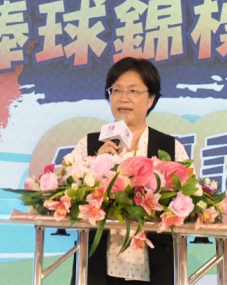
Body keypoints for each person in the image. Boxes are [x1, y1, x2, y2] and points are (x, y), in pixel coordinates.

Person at [70, 57, 190, 284]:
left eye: (133, 90)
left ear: (151, 99)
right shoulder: (89, 145)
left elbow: (188, 201)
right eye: (116, 90)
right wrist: (94, 167)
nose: (123, 98)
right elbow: (70, 197)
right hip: (98, 268)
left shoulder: (171, 148)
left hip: (153, 268)